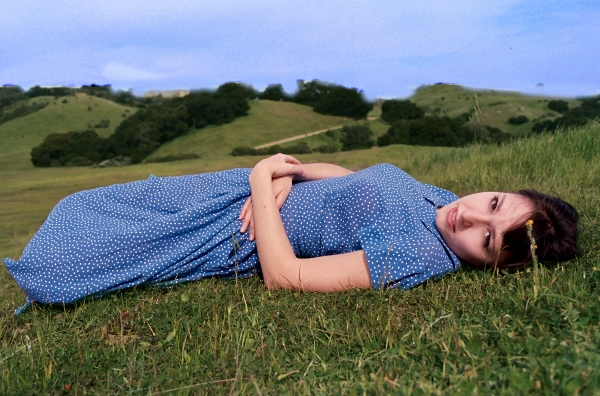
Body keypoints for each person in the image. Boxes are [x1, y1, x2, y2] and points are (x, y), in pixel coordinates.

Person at [3, 154, 578, 314]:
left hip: (235, 225)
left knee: (84, 242)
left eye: (484, 238)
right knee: (90, 200)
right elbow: (358, 180)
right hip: (255, 190)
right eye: (493, 204)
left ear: (489, 265)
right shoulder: (439, 202)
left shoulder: (419, 255)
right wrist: (294, 172)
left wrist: (261, 184)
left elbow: (286, 276)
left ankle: (42, 275)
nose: (469, 217)